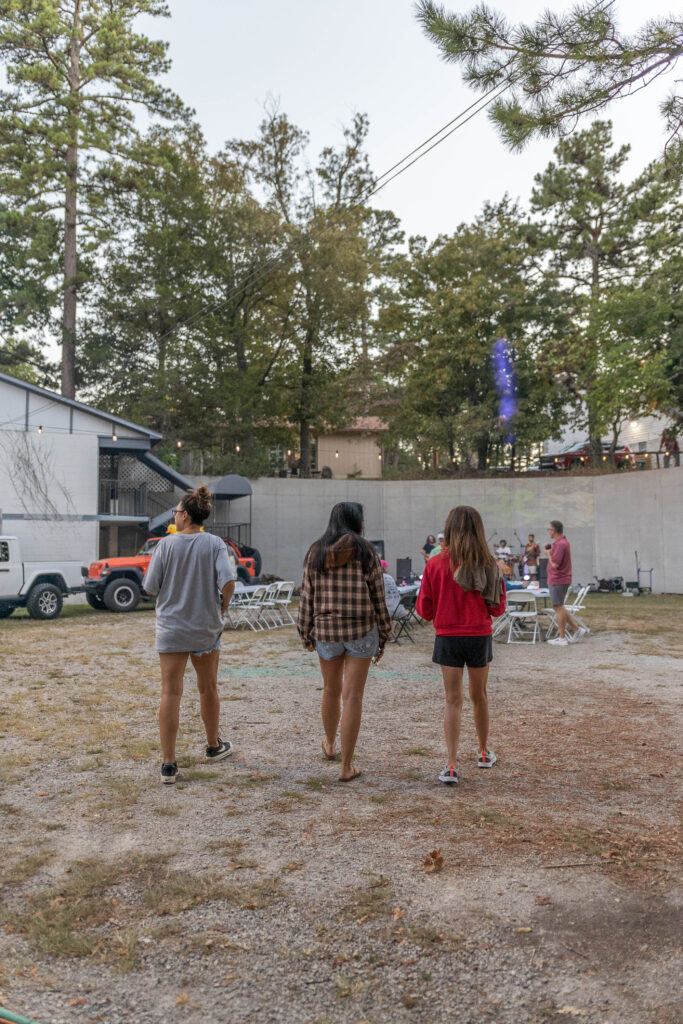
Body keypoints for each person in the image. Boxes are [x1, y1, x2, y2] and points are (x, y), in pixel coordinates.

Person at [143, 485, 236, 784]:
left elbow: (150, 587)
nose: (175, 515)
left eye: (176, 511)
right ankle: (212, 746)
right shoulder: (215, 544)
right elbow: (229, 581)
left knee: (171, 692)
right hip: (205, 629)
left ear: (185, 515)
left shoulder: (166, 545)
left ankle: (169, 764)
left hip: (172, 628)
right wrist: (221, 608)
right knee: (208, 688)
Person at [297, 502, 392, 782]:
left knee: (330, 689)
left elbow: (306, 597)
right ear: (357, 522)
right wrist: (384, 635)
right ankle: (346, 766)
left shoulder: (315, 552)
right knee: (353, 697)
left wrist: (306, 632)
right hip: (362, 630)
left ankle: (329, 744)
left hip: (326, 631)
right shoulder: (366, 552)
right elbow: (378, 597)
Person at [416, 505, 506, 786]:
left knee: (452, 700)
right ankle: (482, 752)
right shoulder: (490, 563)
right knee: (479, 695)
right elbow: (498, 607)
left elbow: (424, 609)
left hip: (448, 637)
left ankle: (452, 765)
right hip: (479, 635)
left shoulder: (435, 563)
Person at [545, 520, 588, 646]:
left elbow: (555, 564)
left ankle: (562, 637)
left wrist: (548, 553)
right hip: (559, 579)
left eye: (549, 529)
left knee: (558, 607)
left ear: (554, 530)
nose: (548, 531)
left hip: (558, 579)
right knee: (559, 606)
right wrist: (551, 549)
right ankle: (577, 629)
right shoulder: (561, 543)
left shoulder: (560, 544)